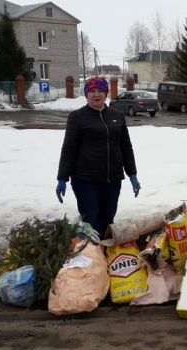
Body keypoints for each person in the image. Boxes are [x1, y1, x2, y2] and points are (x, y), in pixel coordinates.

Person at [55, 76, 141, 238]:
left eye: (100, 90)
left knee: (108, 219)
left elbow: (125, 147)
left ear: (106, 93)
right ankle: (90, 257)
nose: (97, 94)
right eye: (92, 91)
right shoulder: (77, 117)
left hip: (112, 179)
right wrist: (62, 178)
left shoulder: (117, 116)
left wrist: (132, 174)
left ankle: (103, 256)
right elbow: (69, 148)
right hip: (86, 179)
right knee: (91, 221)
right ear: (86, 94)